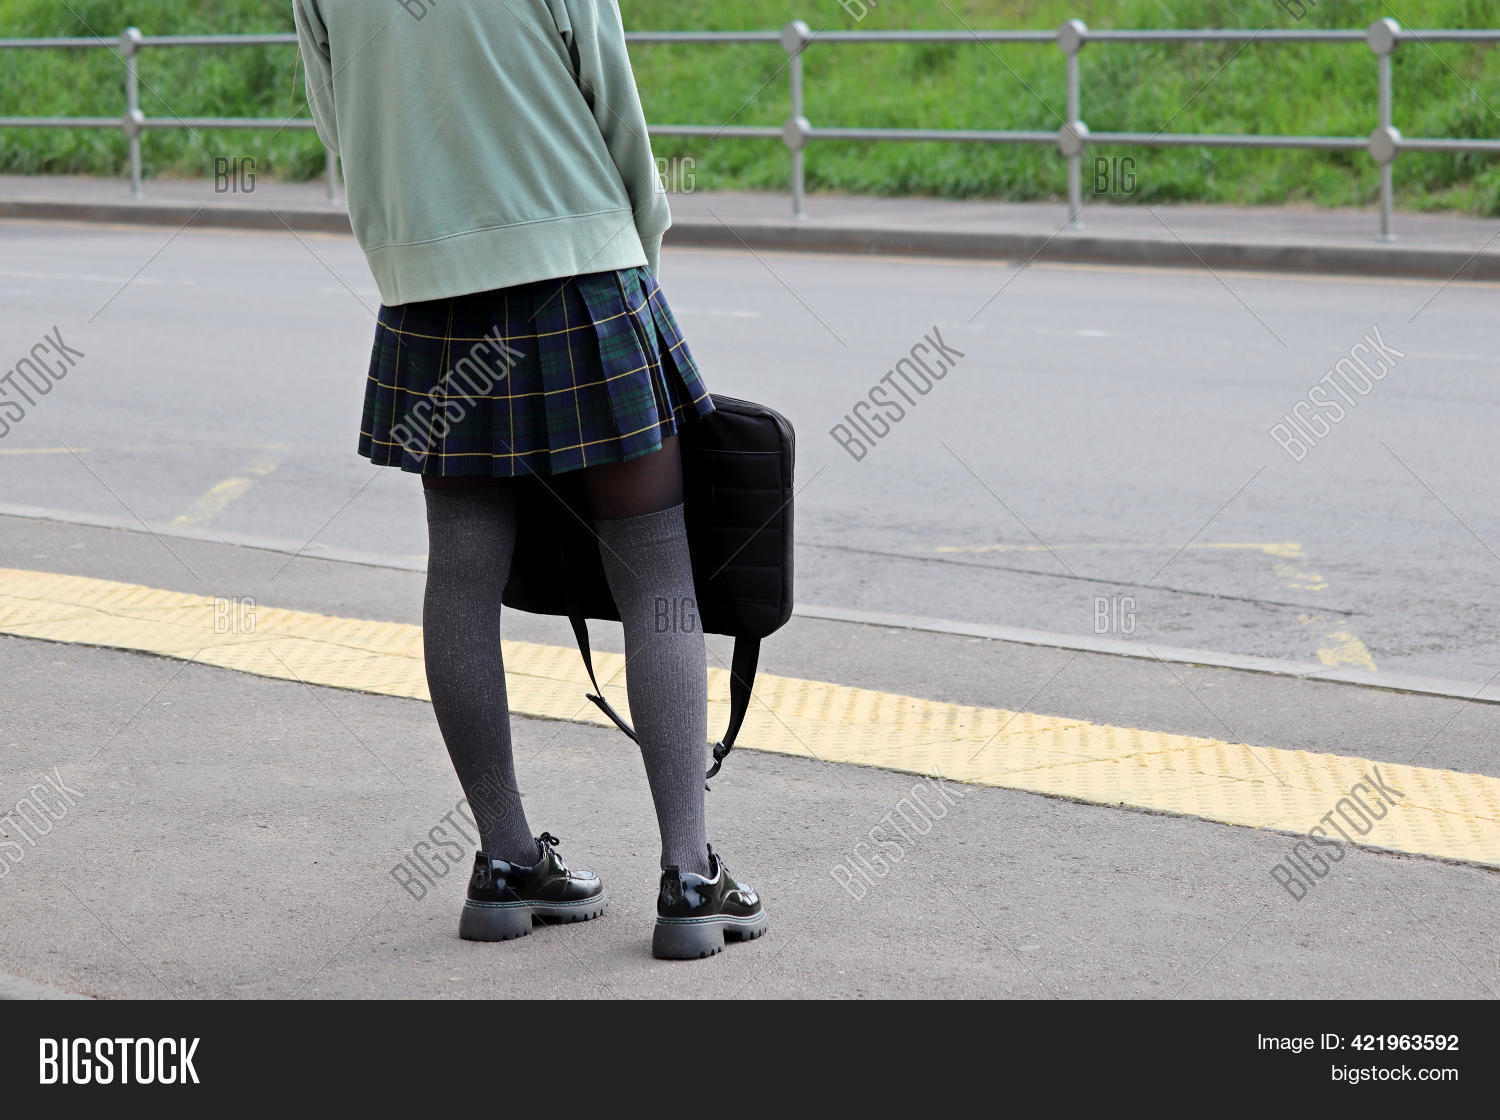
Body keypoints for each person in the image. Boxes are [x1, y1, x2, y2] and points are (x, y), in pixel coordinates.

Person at [294, 0, 765, 960]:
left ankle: (506, 861)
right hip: (581, 264)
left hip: (429, 288)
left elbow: (334, 115)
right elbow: (611, 97)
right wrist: (637, 249)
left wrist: (411, 243)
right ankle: (688, 875)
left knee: (461, 580)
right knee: (655, 572)